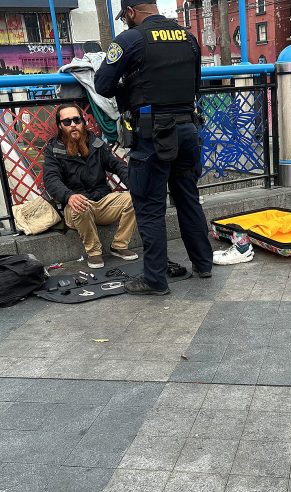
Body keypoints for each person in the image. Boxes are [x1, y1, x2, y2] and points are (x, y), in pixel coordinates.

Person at [94, 0, 213, 296]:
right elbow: (196, 84)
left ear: (132, 12)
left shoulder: (131, 39)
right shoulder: (188, 38)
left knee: (149, 208)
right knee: (188, 199)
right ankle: (203, 263)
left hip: (152, 135)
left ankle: (155, 280)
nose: (125, 21)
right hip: (188, 129)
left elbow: (103, 84)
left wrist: (130, 84)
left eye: (125, 16)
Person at [42, 104, 139, 269]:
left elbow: (117, 166)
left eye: (76, 120)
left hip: (102, 201)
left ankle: (119, 245)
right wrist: (68, 196)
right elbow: (51, 179)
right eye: (67, 122)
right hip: (75, 206)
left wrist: (134, 185)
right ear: (60, 125)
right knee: (80, 203)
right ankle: (94, 252)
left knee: (136, 197)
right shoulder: (53, 150)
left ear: (82, 121)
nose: (73, 124)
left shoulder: (96, 143)